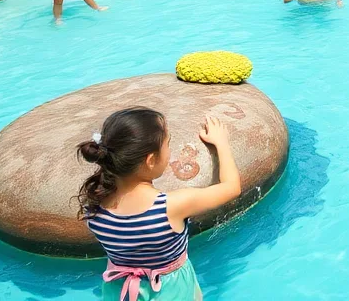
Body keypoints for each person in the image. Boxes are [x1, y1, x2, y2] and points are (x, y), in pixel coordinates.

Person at [78, 108, 240, 301]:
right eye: (168, 144)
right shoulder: (171, 206)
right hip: (170, 292)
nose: (170, 151)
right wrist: (222, 143)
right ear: (151, 160)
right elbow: (232, 188)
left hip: (119, 291)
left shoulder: (93, 208)